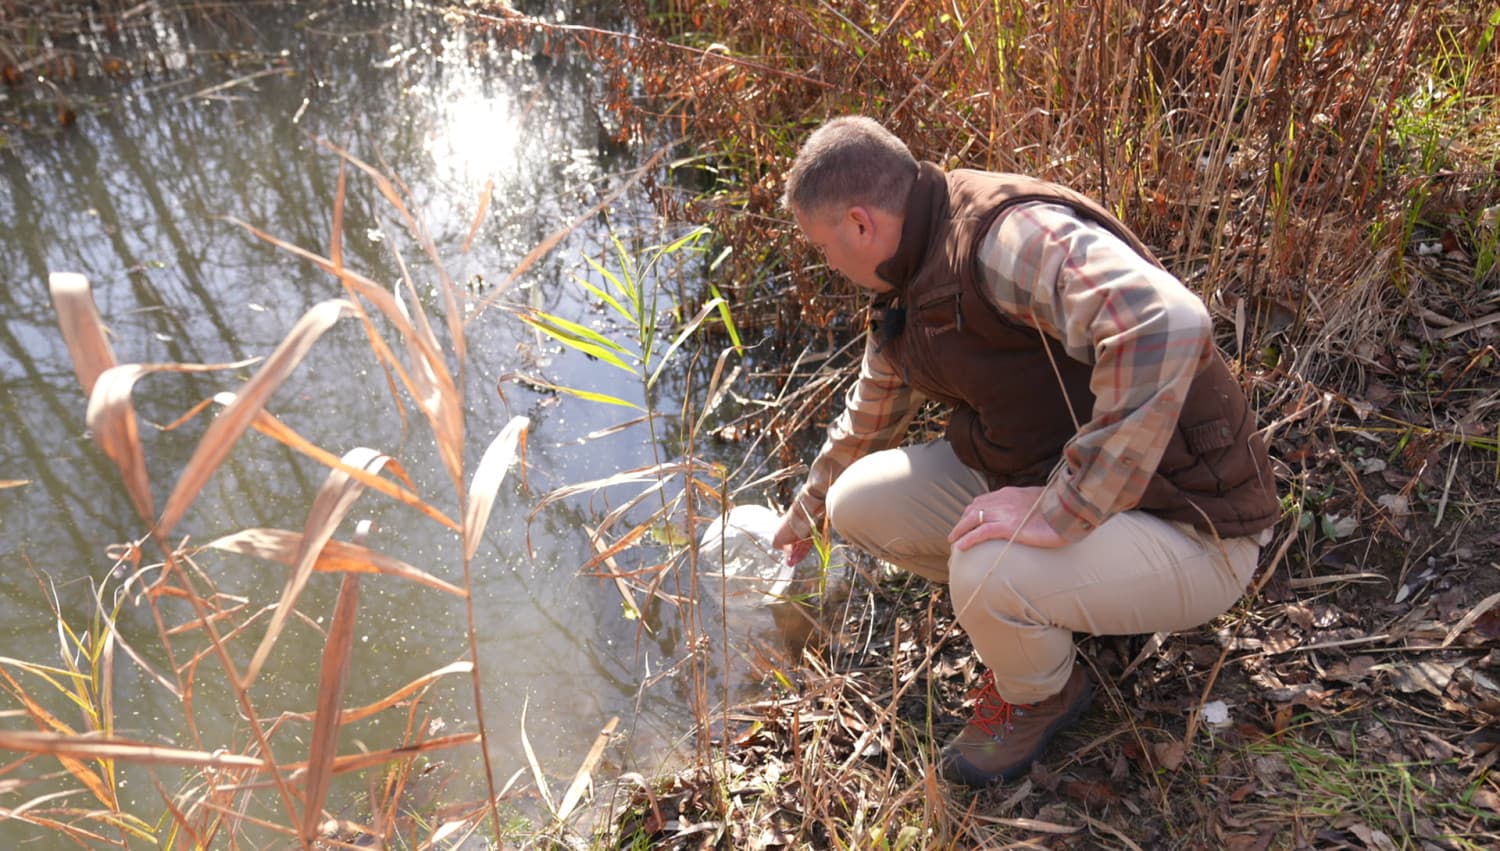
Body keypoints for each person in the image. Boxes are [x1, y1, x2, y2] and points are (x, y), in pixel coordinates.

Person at [770, 116, 1280, 788]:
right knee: (855, 501)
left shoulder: (1000, 239)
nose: (828, 263)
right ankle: (1055, 612)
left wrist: (1061, 510)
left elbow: (1168, 322)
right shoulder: (911, 271)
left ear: (860, 223)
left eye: (824, 246)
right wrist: (807, 512)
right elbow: (871, 414)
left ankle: (1043, 692)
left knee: (985, 567)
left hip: (1195, 527)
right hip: (1088, 493)